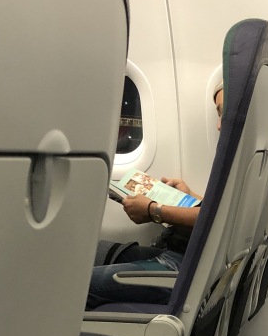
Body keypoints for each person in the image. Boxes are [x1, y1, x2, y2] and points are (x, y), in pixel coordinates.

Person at [85, 84, 223, 309]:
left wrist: (154, 210)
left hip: (183, 267)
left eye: (224, 113)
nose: (219, 125)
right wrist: (189, 195)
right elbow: (220, 209)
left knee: (80, 286)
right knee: (96, 252)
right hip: (182, 254)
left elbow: (219, 218)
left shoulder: (243, 162)